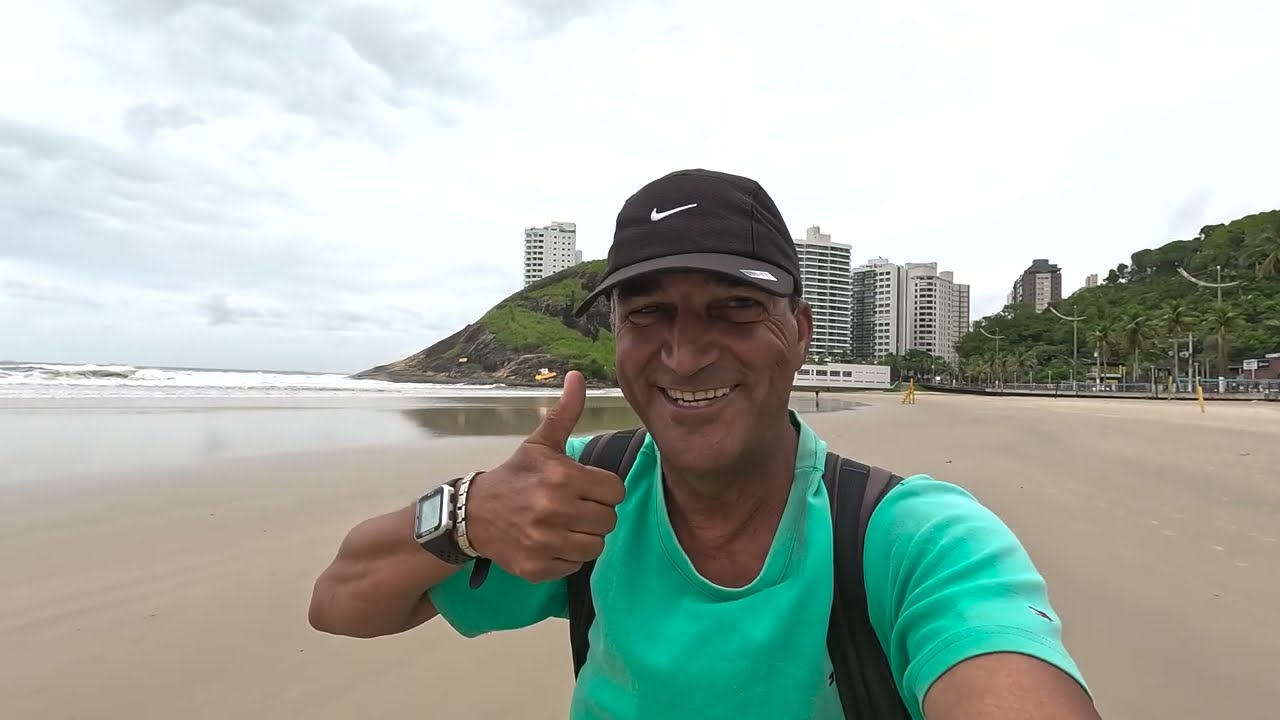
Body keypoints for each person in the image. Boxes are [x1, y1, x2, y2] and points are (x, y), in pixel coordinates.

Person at [308, 169, 1101, 719]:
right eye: (647, 314)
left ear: (797, 333)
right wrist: (472, 510)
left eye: (730, 309)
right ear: (615, 337)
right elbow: (341, 603)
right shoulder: (584, 496)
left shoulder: (913, 538)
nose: (684, 355)